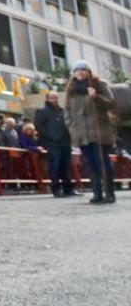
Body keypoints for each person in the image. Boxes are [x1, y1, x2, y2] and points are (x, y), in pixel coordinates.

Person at [62, 61, 116, 204]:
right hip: (81, 133)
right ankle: (97, 193)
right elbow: (67, 110)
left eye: (83, 69)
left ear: (89, 72)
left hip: (99, 132)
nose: (80, 72)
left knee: (103, 163)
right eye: (77, 69)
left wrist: (96, 97)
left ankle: (109, 193)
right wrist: (71, 126)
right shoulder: (71, 90)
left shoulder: (99, 85)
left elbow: (110, 103)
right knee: (90, 164)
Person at [35, 91, 76, 197]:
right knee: (55, 165)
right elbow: (39, 126)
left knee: (66, 166)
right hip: (53, 143)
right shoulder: (42, 111)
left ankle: (68, 188)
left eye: (55, 98)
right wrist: (51, 137)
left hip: (65, 142)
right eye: (52, 98)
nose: (54, 100)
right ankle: (56, 188)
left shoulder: (62, 111)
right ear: (47, 99)